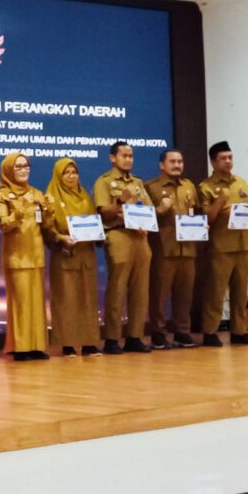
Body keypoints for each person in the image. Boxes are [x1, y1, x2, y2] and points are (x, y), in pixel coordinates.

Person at [199, 141, 248, 346]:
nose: (228, 161)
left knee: (240, 291)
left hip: (243, 245)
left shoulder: (241, 183)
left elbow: (247, 209)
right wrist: (220, 204)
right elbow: (206, 218)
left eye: (230, 157)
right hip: (221, 247)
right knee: (216, 292)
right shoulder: (206, 187)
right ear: (213, 162)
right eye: (223, 158)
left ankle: (239, 330)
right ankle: (210, 331)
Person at [0, 153, 53, 361]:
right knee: (20, 304)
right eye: (18, 167)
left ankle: (37, 346)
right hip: (17, 258)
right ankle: (20, 347)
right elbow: (3, 226)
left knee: (36, 304)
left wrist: (49, 212)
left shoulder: (36, 193)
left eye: (26, 165)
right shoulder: (1, 196)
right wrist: (19, 212)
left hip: (36, 256)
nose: (23, 170)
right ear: (8, 170)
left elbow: (44, 225)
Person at [93, 141, 154, 354]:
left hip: (140, 237)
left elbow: (148, 208)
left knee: (140, 289)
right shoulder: (104, 181)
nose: (128, 159)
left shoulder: (138, 182)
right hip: (118, 235)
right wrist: (120, 202)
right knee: (117, 288)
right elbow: (103, 212)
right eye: (124, 155)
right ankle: (112, 338)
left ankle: (135, 336)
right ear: (113, 158)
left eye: (131, 155)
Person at [44, 158, 102, 357]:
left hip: (86, 256)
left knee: (88, 299)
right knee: (66, 300)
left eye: (74, 172)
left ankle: (89, 343)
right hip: (65, 256)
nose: (71, 176)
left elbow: (95, 222)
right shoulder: (50, 197)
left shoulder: (85, 196)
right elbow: (47, 227)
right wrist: (59, 238)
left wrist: (99, 234)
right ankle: (67, 344)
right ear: (58, 176)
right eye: (66, 173)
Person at [145, 149, 200, 349]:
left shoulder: (189, 187)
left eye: (180, 161)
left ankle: (182, 332)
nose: (177, 165)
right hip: (163, 249)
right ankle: (158, 333)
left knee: (185, 294)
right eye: (172, 161)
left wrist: (201, 225)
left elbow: (197, 212)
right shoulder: (151, 187)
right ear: (162, 165)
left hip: (187, 249)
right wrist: (160, 208)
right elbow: (144, 216)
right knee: (159, 294)